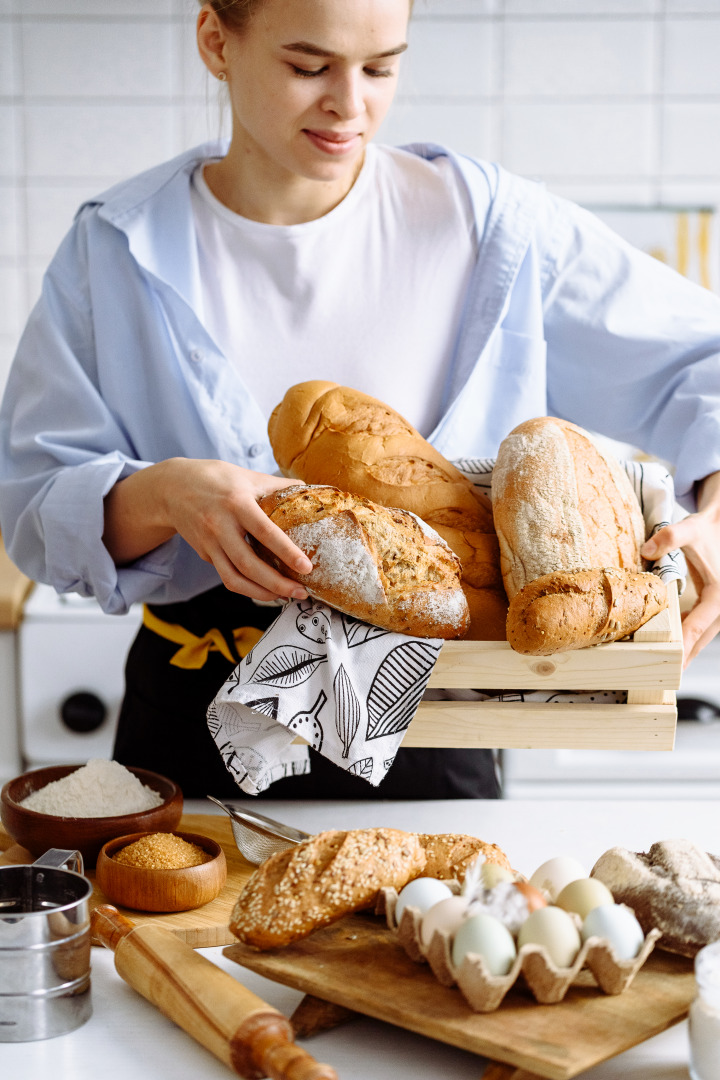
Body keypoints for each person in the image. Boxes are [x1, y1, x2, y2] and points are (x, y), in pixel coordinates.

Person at [1, 0, 719, 799]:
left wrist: (715, 515)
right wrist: (168, 493)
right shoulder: (117, 246)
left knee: (441, 929)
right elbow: (34, 505)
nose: (350, 104)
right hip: (192, 718)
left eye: (380, 66)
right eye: (308, 66)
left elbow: (704, 361)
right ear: (216, 40)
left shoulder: (489, 229)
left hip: (434, 716)